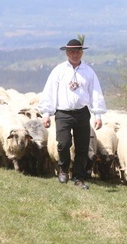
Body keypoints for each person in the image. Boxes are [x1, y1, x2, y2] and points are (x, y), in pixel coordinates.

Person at [38, 38, 107, 189]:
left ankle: (79, 177)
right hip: (63, 113)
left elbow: (95, 93)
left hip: (82, 113)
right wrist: (46, 113)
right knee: (63, 143)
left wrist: (98, 115)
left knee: (82, 146)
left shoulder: (88, 72)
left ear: (82, 53)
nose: (74, 54)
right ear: (66, 53)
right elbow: (50, 92)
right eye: (71, 52)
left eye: (77, 52)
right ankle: (63, 169)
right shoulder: (59, 71)